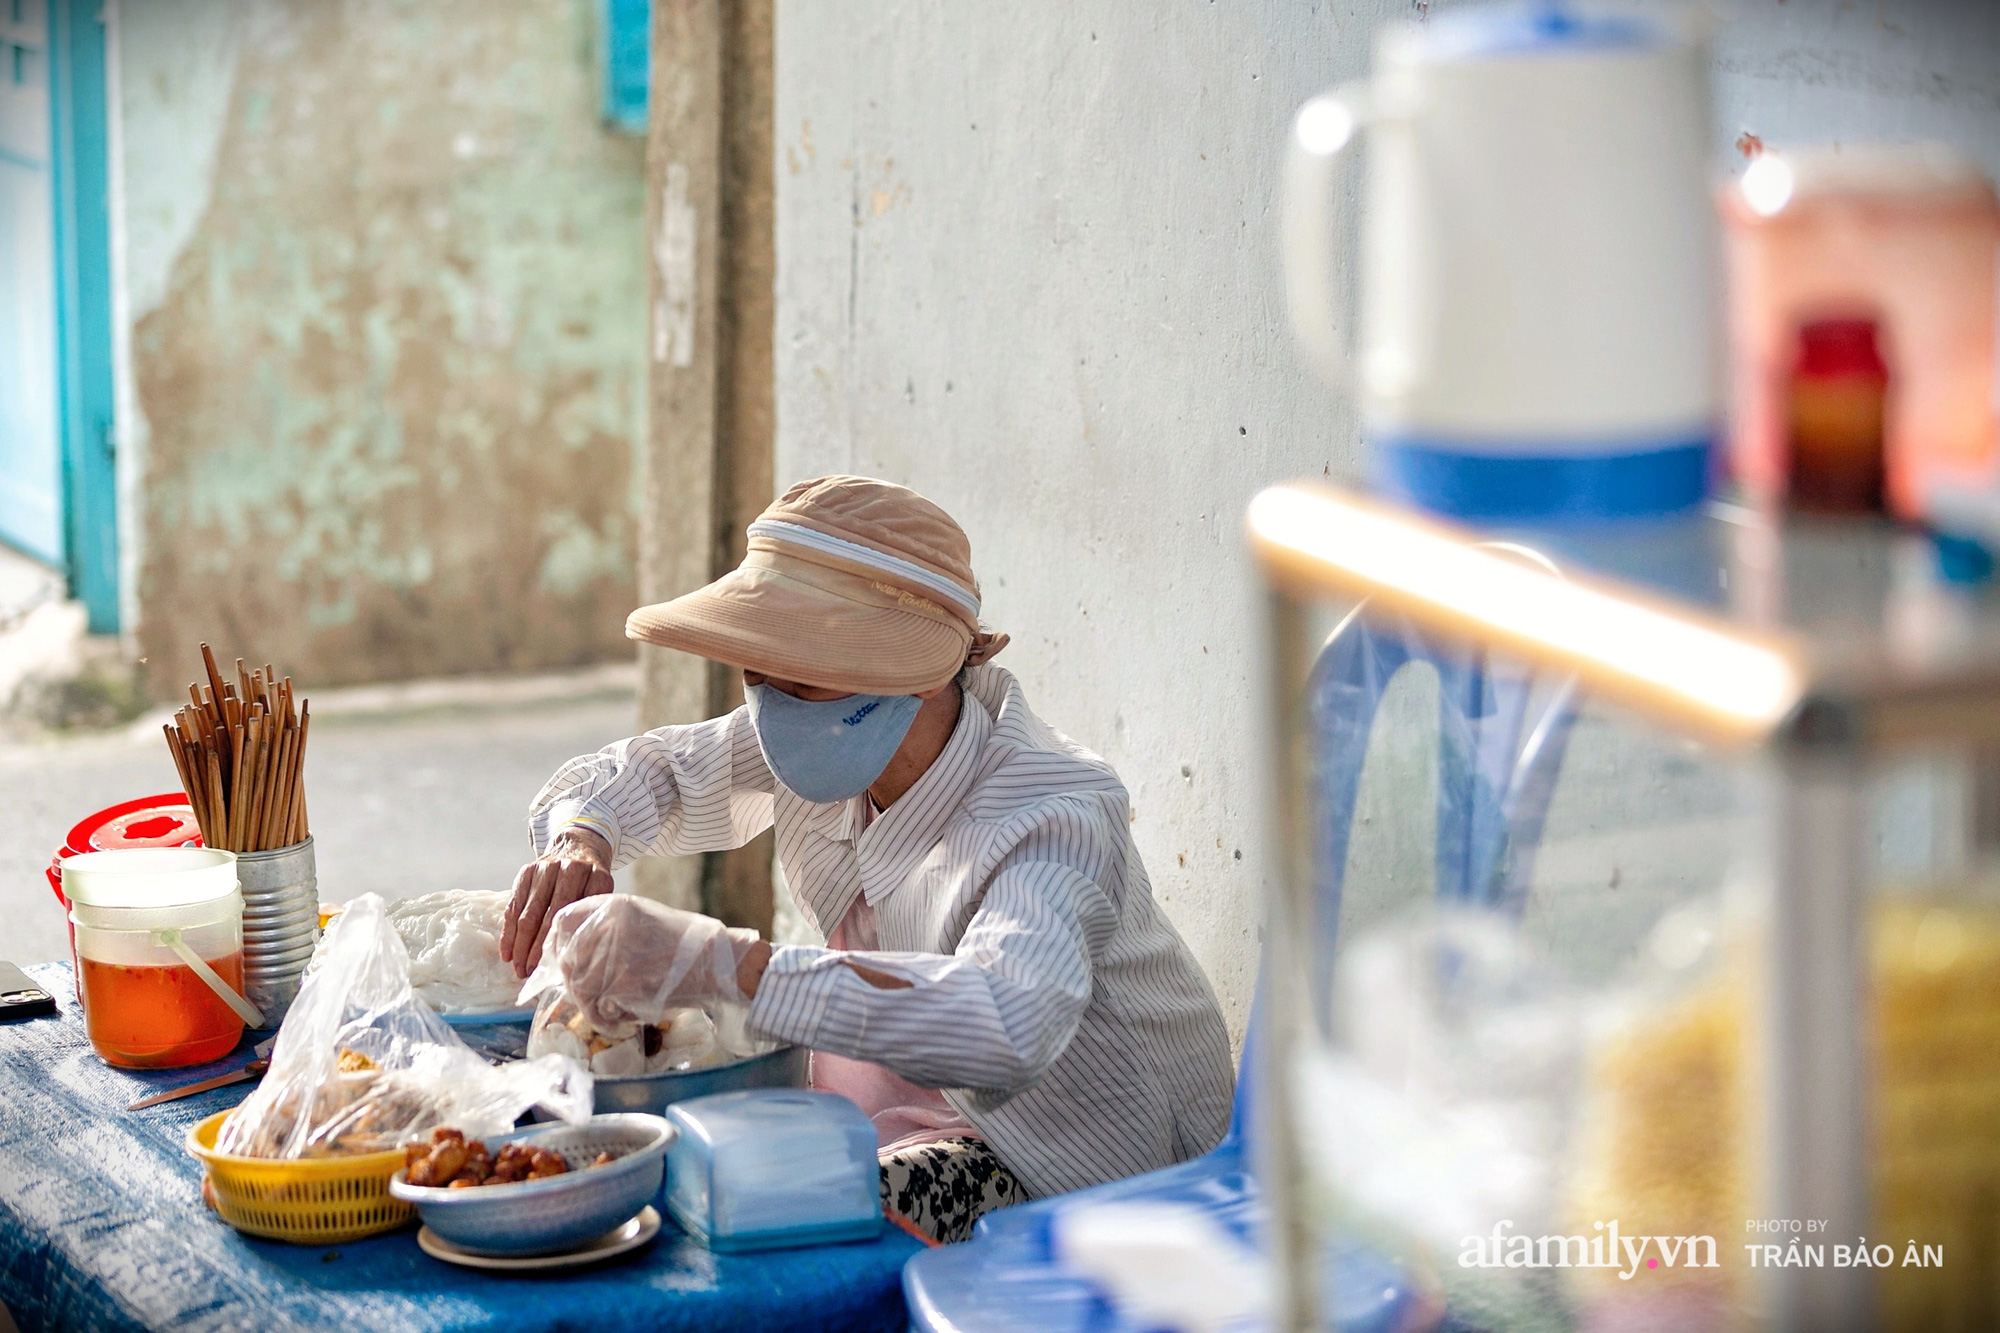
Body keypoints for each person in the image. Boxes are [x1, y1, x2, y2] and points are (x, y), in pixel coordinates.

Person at [502, 475, 1233, 1243]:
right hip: (905, 1108)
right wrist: (580, 836)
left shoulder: (1050, 810)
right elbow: (641, 774)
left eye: (801, 678)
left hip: (1092, 1167)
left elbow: (1006, 1023)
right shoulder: (825, 729)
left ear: (911, 676)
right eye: (758, 674)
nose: (771, 707)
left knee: (779, 1216)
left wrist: (723, 965)